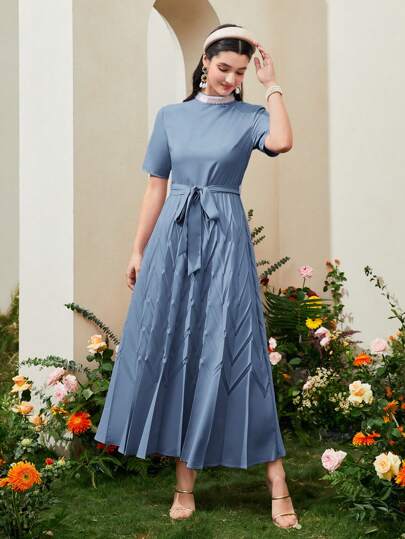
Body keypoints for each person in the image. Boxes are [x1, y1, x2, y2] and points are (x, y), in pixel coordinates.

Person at [94, 23, 300, 530]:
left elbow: (282, 141)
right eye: (224, 67)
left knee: (237, 346)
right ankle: (184, 484)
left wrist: (272, 84)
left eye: (240, 72)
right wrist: (138, 249)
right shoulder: (171, 117)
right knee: (179, 346)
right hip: (173, 237)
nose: (231, 78)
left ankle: (276, 479)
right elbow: (156, 187)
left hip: (224, 237)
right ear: (205, 62)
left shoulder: (251, 116)